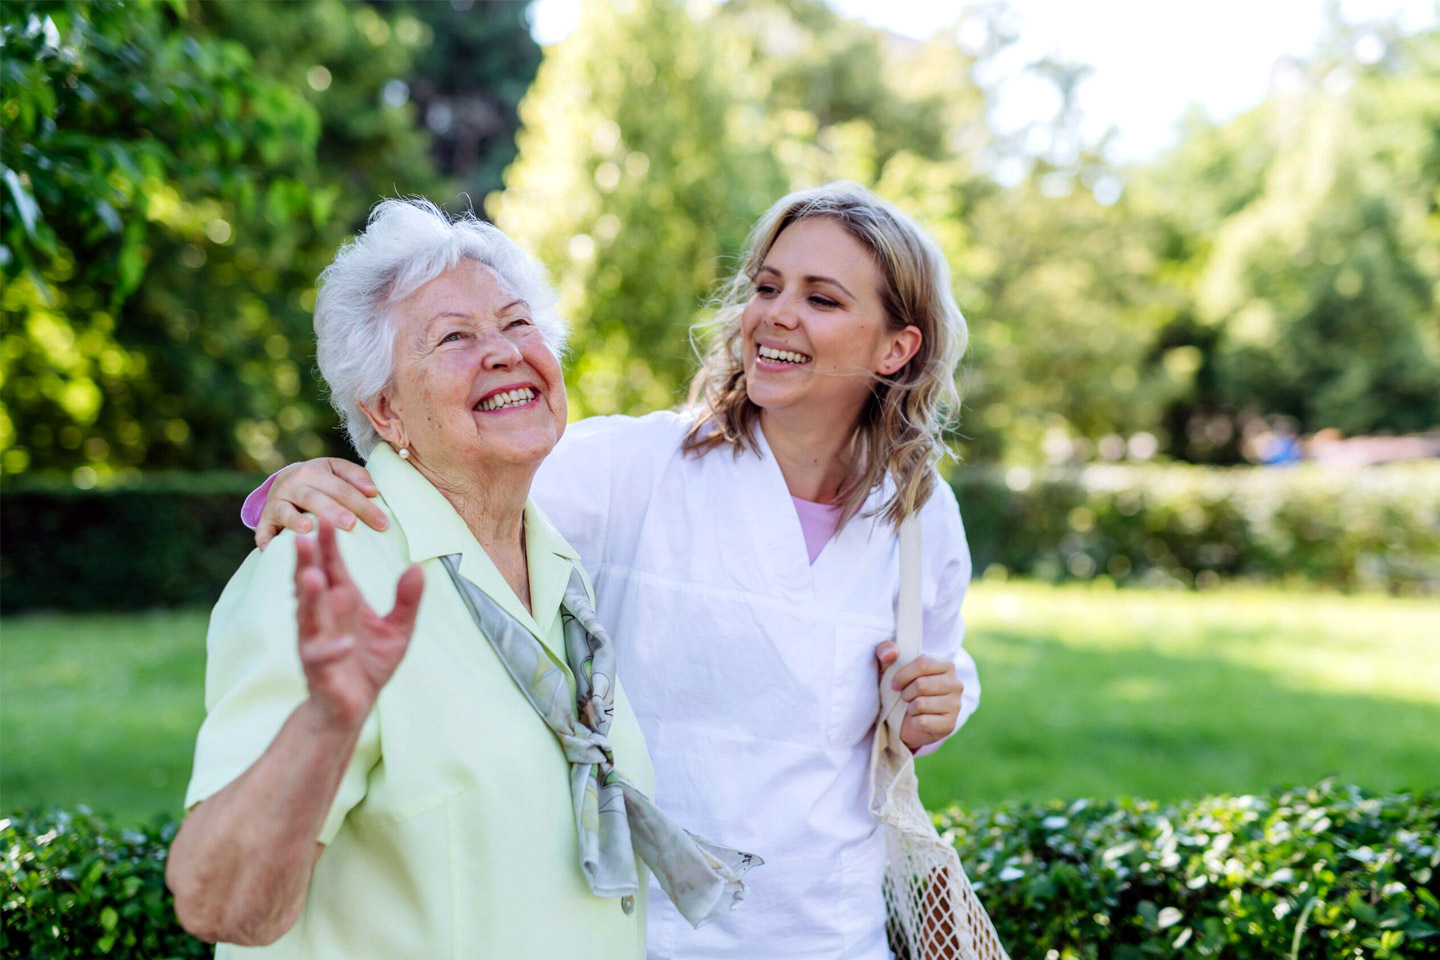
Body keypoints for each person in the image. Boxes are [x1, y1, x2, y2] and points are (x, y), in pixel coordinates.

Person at [249, 182, 980, 960]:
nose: (776, 314)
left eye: (822, 299)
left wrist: (936, 706)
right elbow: (444, 480)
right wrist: (297, 484)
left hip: (833, 933)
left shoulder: (917, 515)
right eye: (767, 286)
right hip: (650, 935)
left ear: (897, 347)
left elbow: (934, 672)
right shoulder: (635, 467)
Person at [165, 200, 755, 959]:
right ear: (385, 411)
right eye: (453, 337)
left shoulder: (554, 564)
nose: (504, 351)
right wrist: (326, 723)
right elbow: (223, 907)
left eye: (517, 323)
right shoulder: (323, 571)